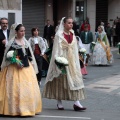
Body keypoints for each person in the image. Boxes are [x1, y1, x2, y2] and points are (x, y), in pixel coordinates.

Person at [43, 17, 86, 111]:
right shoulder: (59, 35)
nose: (71, 24)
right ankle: (59, 102)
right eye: (69, 23)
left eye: (72, 23)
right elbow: (56, 49)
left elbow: (74, 48)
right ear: (64, 24)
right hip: (62, 59)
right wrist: (59, 61)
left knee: (75, 80)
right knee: (60, 81)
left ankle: (77, 102)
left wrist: (78, 57)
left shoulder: (73, 33)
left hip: (72, 61)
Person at [0, 23, 42, 116]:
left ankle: (27, 108)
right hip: (14, 68)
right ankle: (15, 109)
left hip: (26, 67)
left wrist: (31, 61)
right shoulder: (12, 42)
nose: (23, 33)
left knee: (28, 88)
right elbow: (8, 55)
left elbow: (29, 54)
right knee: (15, 88)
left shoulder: (25, 41)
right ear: (16, 32)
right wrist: (16, 61)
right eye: (21, 31)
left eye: (24, 31)